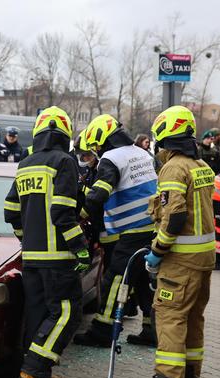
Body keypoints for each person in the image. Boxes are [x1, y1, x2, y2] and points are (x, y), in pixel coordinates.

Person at [4, 106, 89, 378]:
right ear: (65, 135)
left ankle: (34, 372)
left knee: (40, 315)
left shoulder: (25, 163)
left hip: (32, 259)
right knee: (67, 313)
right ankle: (36, 369)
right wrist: (80, 248)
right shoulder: (64, 161)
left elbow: (10, 211)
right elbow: (63, 213)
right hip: (58, 259)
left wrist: (27, 241)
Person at [133, 105, 215, 378]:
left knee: (170, 316)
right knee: (193, 316)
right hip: (204, 260)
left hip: (180, 260)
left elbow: (176, 216)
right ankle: (190, 372)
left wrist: (157, 250)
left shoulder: (173, 168)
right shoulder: (201, 167)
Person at [73, 114, 158, 348]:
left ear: (102, 141)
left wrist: (76, 215)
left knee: (114, 281)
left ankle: (102, 330)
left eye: (95, 147)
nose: (96, 151)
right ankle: (152, 330)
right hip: (151, 228)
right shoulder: (142, 154)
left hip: (131, 230)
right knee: (142, 281)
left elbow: (99, 193)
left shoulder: (111, 158)